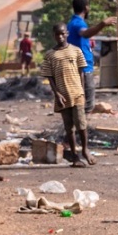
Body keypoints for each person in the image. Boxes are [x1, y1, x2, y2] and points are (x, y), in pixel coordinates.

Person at [41, 23, 92, 167]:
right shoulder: (50, 55)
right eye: (57, 34)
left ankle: (85, 150)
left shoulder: (76, 51)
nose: (60, 36)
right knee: (69, 128)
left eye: (62, 33)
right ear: (54, 36)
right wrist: (56, 94)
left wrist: (81, 90)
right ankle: (75, 156)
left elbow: (81, 71)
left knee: (81, 124)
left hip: (77, 94)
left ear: (67, 33)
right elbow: (49, 77)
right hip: (62, 96)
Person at [67, 0, 116, 113]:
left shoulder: (72, 22)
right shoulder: (78, 23)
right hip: (83, 67)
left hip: (79, 64)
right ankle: (83, 128)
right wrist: (103, 24)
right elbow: (85, 33)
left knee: (80, 101)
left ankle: (79, 126)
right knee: (87, 103)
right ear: (86, 8)